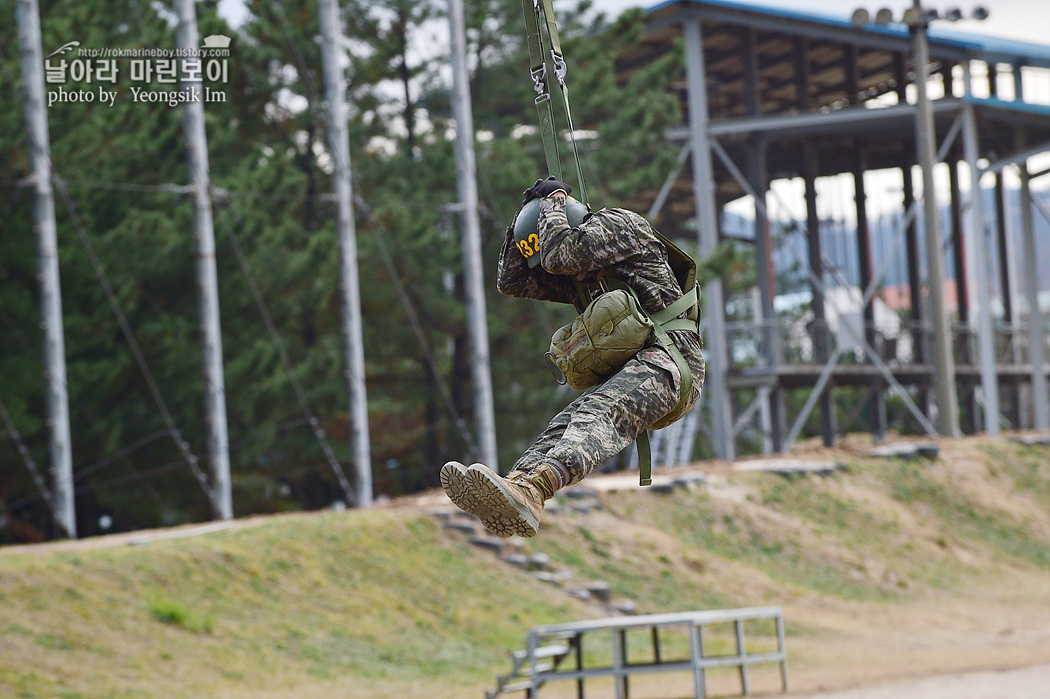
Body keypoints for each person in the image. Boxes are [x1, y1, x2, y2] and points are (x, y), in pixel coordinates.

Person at [440, 177, 705, 537]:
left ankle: (537, 488)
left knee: (600, 413)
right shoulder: (581, 270)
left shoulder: (621, 227)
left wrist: (553, 200)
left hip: (673, 363)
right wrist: (522, 222)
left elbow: (559, 254)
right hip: (640, 366)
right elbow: (512, 281)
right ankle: (519, 484)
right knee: (567, 422)